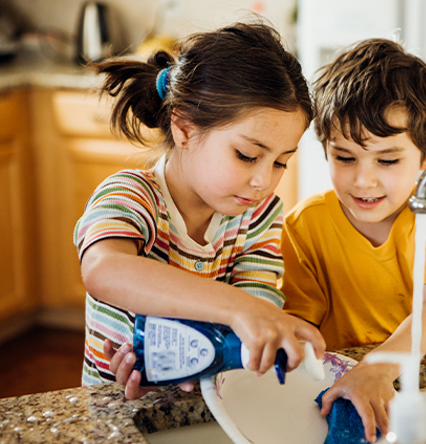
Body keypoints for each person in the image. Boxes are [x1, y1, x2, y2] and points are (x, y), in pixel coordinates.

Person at [74, 21, 325, 400]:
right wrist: (239, 309)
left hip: (205, 407)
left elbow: (250, 329)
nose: (264, 181)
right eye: (248, 155)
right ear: (184, 128)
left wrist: (225, 345)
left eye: (280, 163)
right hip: (116, 410)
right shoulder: (131, 196)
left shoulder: (258, 216)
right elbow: (104, 269)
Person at [279, 39, 426, 442]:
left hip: (415, 383)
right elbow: (301, 322)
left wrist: (379, 367)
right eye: (345, 157)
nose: (363, 180)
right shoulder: (305, 224)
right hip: (341, 393)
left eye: (387, 160)